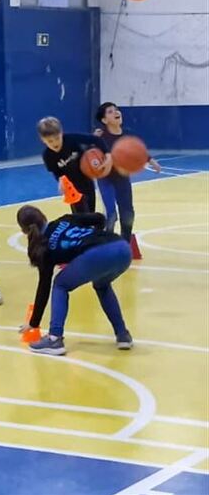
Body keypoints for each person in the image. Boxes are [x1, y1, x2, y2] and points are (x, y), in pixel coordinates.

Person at [17, 205, 133, 356]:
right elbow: (100, 219)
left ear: (24, 231)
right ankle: (122, 335)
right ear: (43, 216)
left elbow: (43, 287)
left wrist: (33, 323)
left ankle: (54, 338)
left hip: (96, 254)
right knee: (102, 285)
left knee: (60, 284)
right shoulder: (65, 219)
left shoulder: (43, 247)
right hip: (122, 247)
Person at [94, 102, 161, 240]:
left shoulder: (127, 135)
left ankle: (125, 242)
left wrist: (151, 160)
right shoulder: (100, 137)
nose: (116, 112)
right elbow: (90, 155)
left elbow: (137, 151)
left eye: (117, 110)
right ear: (104, 120)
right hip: (105, 179)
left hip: (122, 179)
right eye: (110, 111)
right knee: (111, 214)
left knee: (128, 214)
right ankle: (107, 241)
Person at [37, 116, 112, 213]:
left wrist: (108, 154)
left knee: (90, 214)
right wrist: (60, 180)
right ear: (43, 140)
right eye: (50, 141)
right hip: (72, 187)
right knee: (79, 217)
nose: (55, 143)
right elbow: (56, 171)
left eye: (57, 138)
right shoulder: (47, 155)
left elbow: (97, 140)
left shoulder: (71, 139)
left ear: (61, 133)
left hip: (86, 181)